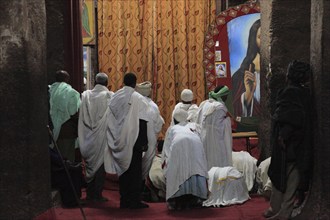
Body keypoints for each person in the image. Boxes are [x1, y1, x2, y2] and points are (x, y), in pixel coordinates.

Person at [263, 61, 312, 220]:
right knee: (284, 174)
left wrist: (283, 135)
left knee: (289, 175)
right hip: (295, 141)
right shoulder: (303, 92)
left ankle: (283, 212)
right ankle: (275, 207)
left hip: (289, 142)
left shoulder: (291, 92)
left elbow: (291, 116)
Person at [104, 73, 151, 209]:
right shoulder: (138, 98)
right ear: (135, 83)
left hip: (118, 137)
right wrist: (144, 142)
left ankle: (124, 200)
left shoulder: (116, 96)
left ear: (124, 82)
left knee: (123, 171)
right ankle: (134, 200)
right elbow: (142, 121)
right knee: (135, 171)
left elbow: (111, 116)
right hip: (134, 138)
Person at [162, 108, 209, 210]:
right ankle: (196, 198)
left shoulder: (172, 129)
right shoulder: (194, 126)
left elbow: (166, 148)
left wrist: (166, 162)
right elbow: (202, 139)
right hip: (196, 145)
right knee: (195, 169)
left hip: (178, 146)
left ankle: (179, 200)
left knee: (179, 171)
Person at [78, 73, 113, 202]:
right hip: (102, 136)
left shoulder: (86, 95)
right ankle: (97, 194)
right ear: (107, 82)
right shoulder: (109, 96)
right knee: (100, 165)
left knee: (90, 164)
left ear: (94, 82)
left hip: (87, 135)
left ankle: (89, 194)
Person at [196, 85, 233, 170]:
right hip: (216, 140)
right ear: (222, 96)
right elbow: (221, 126)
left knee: (206, 161)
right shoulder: (220, 107)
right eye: (226, 96)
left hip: (204, 137)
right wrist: (228, 120)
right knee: (218, 162)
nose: (226, 98)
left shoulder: (204, 103)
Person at [49, 70, 81, 162]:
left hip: (50, 130)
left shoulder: (48, 90)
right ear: (67, 79)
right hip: (66, 130)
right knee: (66, 159)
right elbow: (73, 112)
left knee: (53, 158)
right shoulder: (72, 93)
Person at [231, 19, 261, 117]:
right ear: (254, 40)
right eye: (260, 37)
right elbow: (235, 108)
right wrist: (249, 93)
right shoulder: (242, 74)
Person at [135, 81, 165, 179]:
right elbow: (158, 125)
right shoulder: (153, 106)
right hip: (149, 137)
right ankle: (143, 184)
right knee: (147, 160)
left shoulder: (133, 103)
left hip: (134, 136)